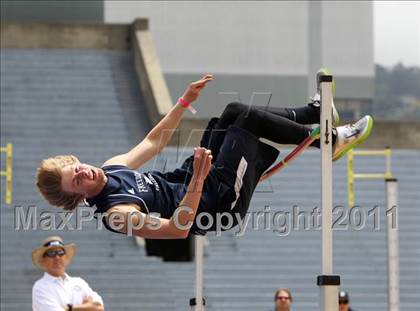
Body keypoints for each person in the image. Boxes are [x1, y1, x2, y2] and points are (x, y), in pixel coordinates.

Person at [36, 72, 374, 238]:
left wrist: (184, 100)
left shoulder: (113, 167)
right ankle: (331, 141)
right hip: (216, 200)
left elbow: (153, 143)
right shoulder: (116, 213)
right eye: (77, 181)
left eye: (78, 168)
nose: (85, 174)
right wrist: (197, 180)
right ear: (76, 197)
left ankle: (313, 114)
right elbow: (177, 228)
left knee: (234, 110)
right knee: (250, 121)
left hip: (199, 175)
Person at [32, 236, 104, 311]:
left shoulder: (79, 282)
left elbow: (99, 307)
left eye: (60, 253)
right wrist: (87, 307)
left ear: (65, 257)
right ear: (43, 260)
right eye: (51, 253)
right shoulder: (40, 287)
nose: (57, 257)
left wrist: (70, 308)